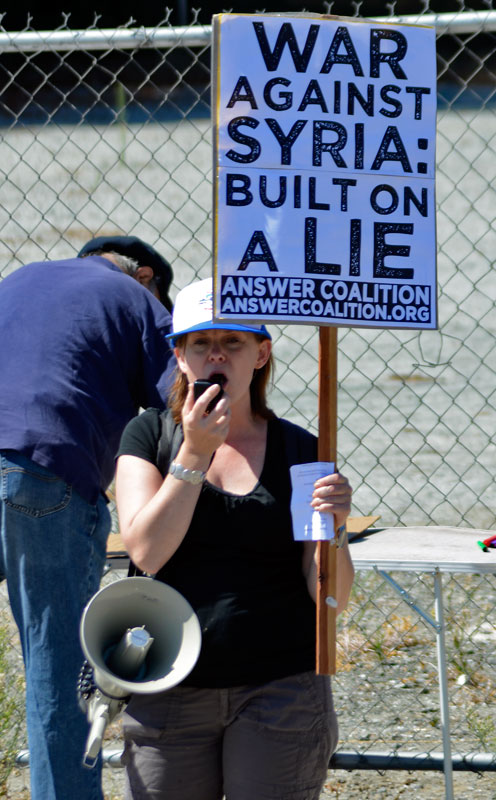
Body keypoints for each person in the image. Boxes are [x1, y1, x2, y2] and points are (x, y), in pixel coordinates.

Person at [115, 277, 355, 800]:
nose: (216, 355)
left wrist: (334, 531)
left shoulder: (301, 449)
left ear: (261, 353)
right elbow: (148, 552)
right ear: (179, 356)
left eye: (233, 342)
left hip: (280, 686)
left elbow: (328, 596)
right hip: (169, 683)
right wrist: (195, 454)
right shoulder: (149, 437)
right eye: (201, 343)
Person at [0, 236, 176, 800]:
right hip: (42, 468)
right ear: (145, 275)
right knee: (60, 675)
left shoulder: (21, 280)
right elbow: (186, 404)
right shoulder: (134, 298)